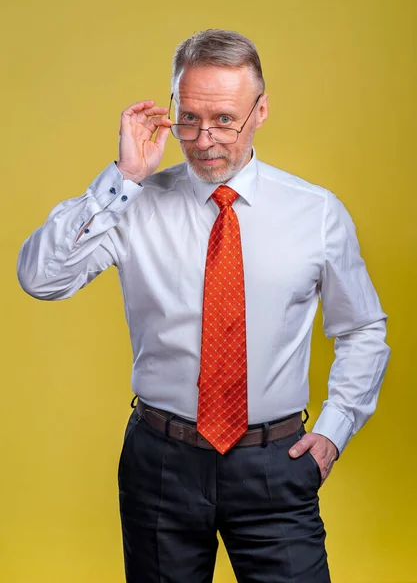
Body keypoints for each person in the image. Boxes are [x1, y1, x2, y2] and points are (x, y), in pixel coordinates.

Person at [17, 29, 390, 583]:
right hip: (160, 464)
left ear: (260, 110)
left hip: (276, 466)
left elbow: (362, 329)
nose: (204, 139)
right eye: (188, 118)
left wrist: (333, 433)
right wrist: (122, 179)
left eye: (223, 119)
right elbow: (41, 278)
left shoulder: (316, 213)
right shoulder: (135, 205)